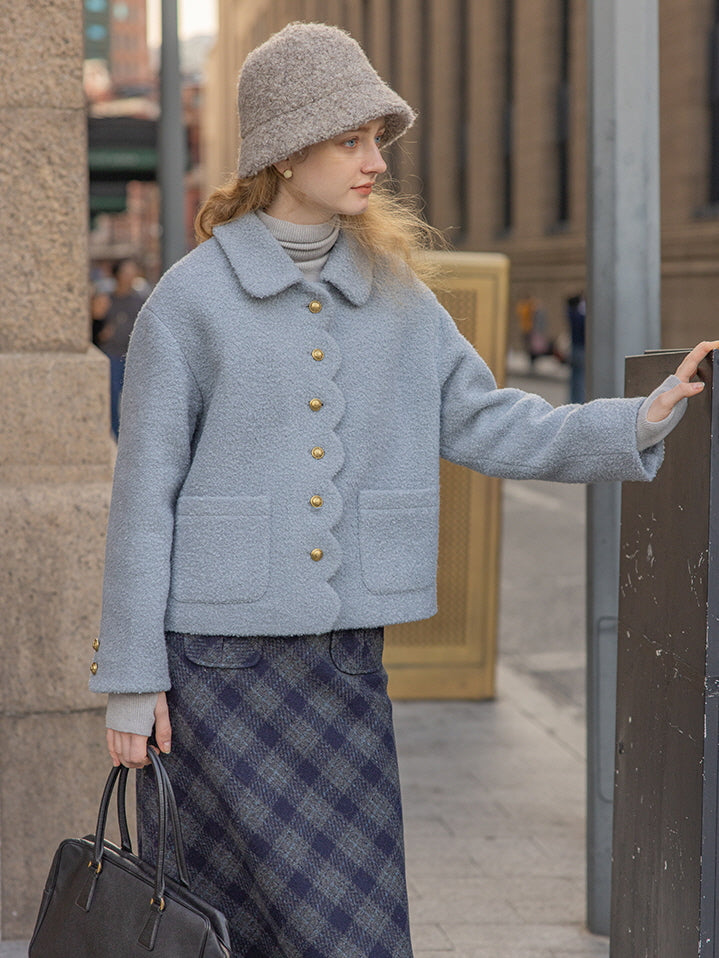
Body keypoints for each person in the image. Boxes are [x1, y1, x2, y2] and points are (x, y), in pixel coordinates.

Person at [89, 21, 717, 958]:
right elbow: (143, 498)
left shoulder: (394, 293)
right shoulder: (189, 301)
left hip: (342, 661)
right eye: (352, 138)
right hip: (216, 669)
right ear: (285, 149)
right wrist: (131, 683)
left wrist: (635, 420)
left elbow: (490, 419)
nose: (375, 160)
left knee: (356, 924)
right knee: (228, 923)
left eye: (378, 137)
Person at [95, 258, 147, 438]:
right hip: (111, 354)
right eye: (126, 272)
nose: (130, 276)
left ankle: (133, 437)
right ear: (117, 275)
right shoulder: (107, 299)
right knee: (112, 399)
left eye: (133, 272)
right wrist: (102, 330)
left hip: (133, 356)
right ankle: (117, 438)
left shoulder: (141, 300)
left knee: (135, 401)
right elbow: (95, 325)